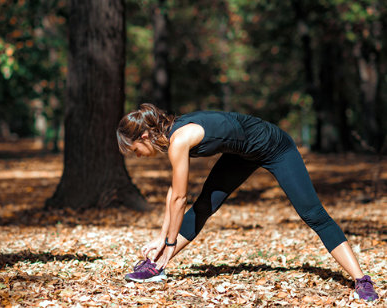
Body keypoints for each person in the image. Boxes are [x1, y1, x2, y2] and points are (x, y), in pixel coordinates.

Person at [116, 104, 378, 301]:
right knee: (205, 205)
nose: (136, 156)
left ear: (144, 137)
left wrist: (170, 242)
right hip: (241, 153)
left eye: (133, 150)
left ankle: (361, 279)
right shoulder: (174, 134)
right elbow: (174, 191)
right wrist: (162, 238)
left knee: (313, 213)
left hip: (276, 147)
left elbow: (179, 198)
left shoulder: (179, 139)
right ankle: (157, 266)